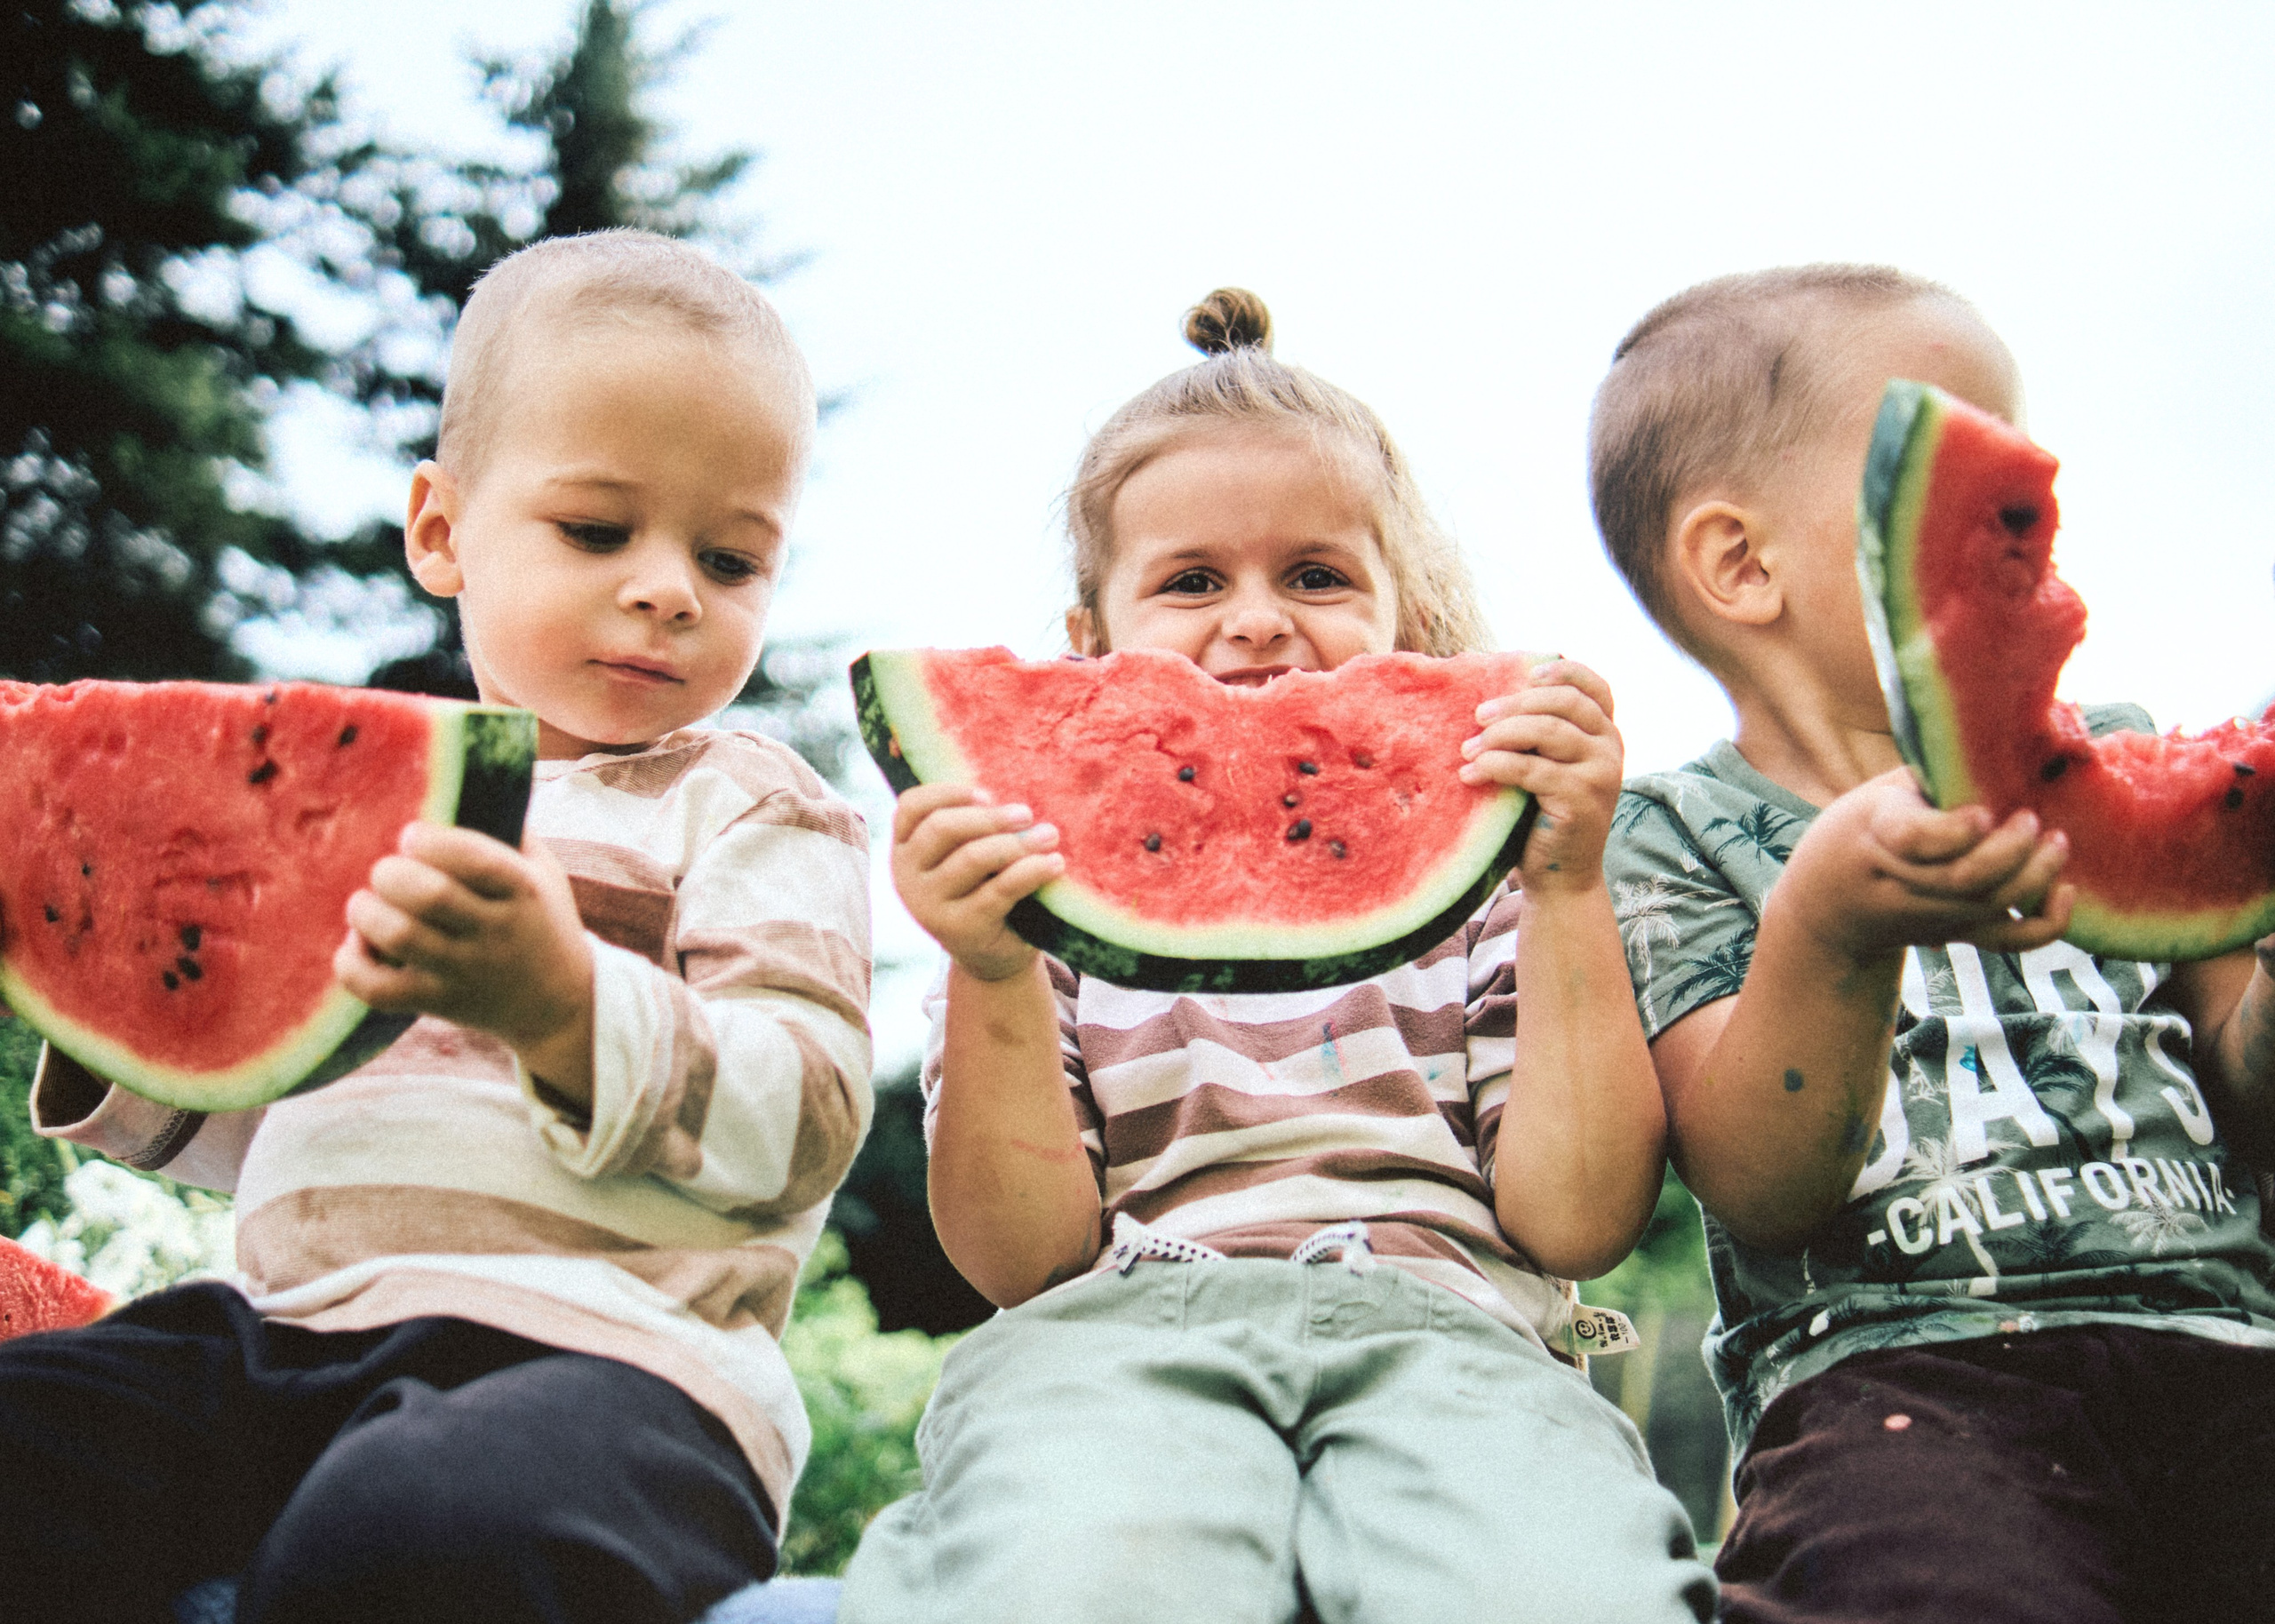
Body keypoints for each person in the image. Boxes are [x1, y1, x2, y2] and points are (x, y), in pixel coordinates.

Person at [0, 230, 873, 1624]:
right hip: (280, 1337)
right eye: (598, 532)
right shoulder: (341, 792)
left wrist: (564, 1007)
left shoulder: (753, 803)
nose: (669, 588)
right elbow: (283, 1095)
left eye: (730, 559)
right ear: (441, 531)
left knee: (423, 1533)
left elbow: (809, 1115)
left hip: (615, 1371)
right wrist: (73, 941)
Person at [839, 290, 1715, 1624]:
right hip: (1116, 1347)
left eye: (1315, 576)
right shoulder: (1044, 919)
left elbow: (1574, 1223)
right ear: (1088, 647)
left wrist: (1568, 884)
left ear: (1405, 623)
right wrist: (995, 970)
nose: (1255, 620)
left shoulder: (1497, 901)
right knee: (1076, 1583)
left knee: (1556, 1594)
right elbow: (1023, 1260)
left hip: (1456, 1340)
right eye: (1192, 582)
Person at [1594, 264, 2275, 1622]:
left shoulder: (2120, 751)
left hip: (2234, 1343)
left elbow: (2252, 1095)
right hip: (1895, 1384)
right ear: (1742, 564)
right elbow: (1763, 1183)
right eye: (1980, 499)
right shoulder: (1675, 834)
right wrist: (1828, 925)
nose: (2032, 533)